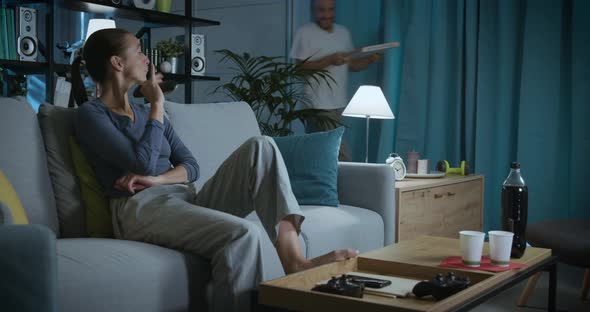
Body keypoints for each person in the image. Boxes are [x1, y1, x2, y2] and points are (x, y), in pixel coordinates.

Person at [71, 28, 359, 312]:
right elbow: (142, 161)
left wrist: (157, 179)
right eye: (138, 50)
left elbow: (191, 166)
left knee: (263, 145)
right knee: (243, 235)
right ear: (117, 63)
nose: (147, 58)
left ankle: (295, 262)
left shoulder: (147, 113)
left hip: (183, 198)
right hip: (139, 209)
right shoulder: (92, 115)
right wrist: (158, 103)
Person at [290, 0, 382, 161]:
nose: (326, 15)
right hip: (317, 105)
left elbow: (352, 65)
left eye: (330, 10)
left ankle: (325, 184)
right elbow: (299, 68)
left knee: (320, 153)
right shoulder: (305, 33)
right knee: (340, 154)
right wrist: (329, 60)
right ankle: (351, 184)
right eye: (321, 10)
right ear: (313, 11)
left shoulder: (343, 32)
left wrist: (370, 59)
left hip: (338, 104)